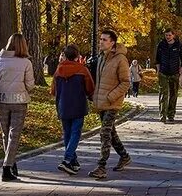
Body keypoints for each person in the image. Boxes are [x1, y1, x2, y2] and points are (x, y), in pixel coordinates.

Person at [90, 28, 132, 180]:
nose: (101, 42)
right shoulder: (101, 57)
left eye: (104, 40)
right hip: (102, 101)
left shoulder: (120, 59)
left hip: (113, 102)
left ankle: (101, 166)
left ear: (112, 43)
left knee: (104, 133)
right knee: (111, 133)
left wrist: (111, 96)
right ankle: (124, 156)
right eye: (100, 39)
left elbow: (126, 82)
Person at [0, 33, 36, 182]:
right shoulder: (26, 63)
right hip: (19, 102)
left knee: (6, 134)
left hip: (2, 101)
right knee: (14, 135)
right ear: (23, 45)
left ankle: (11, 163)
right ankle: (7, 167)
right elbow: (30, 85)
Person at [52, 44, 94, 175]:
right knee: (75, 133)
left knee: (67, 133)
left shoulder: (58, 70)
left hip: (63, 105)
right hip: (78, 105)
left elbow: (53, 90)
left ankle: (73, 162)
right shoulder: (82, 70)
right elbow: (90, 88)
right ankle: (67, 159)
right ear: (77, 56)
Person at [154, 28, 182, 124]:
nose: (167, 37)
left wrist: (181, 70)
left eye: (169, 35)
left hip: (174, 73)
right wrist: (158, 70)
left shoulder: (178, 45)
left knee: (173, 95)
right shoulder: (161, 45)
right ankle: (162, 115)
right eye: (166, 35)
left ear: (173, 35)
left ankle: (171, 114)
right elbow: (157, 59)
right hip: (163, 72)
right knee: (163, 94)